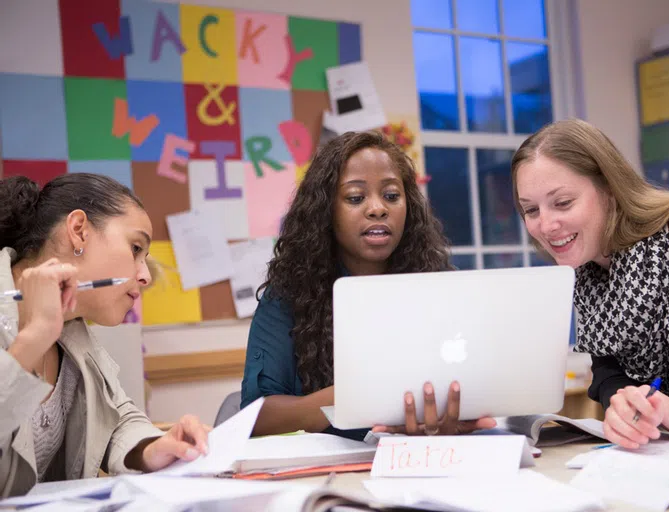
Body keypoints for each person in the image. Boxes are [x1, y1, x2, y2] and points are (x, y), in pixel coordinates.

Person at [511, 119, 669, 450]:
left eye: (562, 203)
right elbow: (609, 371)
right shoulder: (588, 274)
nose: (545, 225)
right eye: (530, 210)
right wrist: (623, 404)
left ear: (609, 190)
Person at [241, 131, 497, 438]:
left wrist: (448, 413)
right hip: (328, 474)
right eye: (355, 198)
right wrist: (362, 394)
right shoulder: (288, 296)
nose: (377, 208)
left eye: (391, 196)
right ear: (326, 211)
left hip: (422, 459)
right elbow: (254, 419)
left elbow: (470, 388)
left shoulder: (439, 286)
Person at [0, 174, 210, 497]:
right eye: (135, 248)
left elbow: (116, 415)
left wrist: (153, 447)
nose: (143, 276)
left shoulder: (73, 330)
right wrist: (33, 337)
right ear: (78, 230)